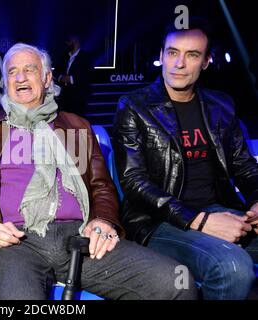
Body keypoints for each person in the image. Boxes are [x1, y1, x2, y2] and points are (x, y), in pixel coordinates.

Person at [0, 43, 197, 300]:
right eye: (12, 71)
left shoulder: (77, 126)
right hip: (15, 243)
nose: (20, 78)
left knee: (179, 283)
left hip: (81, 238)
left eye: (29, 69)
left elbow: (102, 186)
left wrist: (103, 220)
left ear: (47, 78)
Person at [112, 18, 258, 300]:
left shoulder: (221, 104)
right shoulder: (134, 106)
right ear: (161, 57)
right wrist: (200, 221)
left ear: (206, 62)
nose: (179, 63)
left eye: (192, 55)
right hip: (158, 221)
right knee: (233, 268)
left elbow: (243, 165)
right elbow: (134, 182)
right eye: (172, 52)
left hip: (221, 210)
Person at [55, 33, 92, 117]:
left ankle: (78, 131)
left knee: (78, 123)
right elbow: (56, 71)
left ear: (76, 41)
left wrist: (71, 79)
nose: (67, 44)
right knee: (66, 122)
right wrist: (61, 78)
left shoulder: (85, 57)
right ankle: (68, 131)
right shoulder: (64, 56)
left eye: (69, 42)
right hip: (64, 97)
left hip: (78, 98)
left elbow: (88, 75)